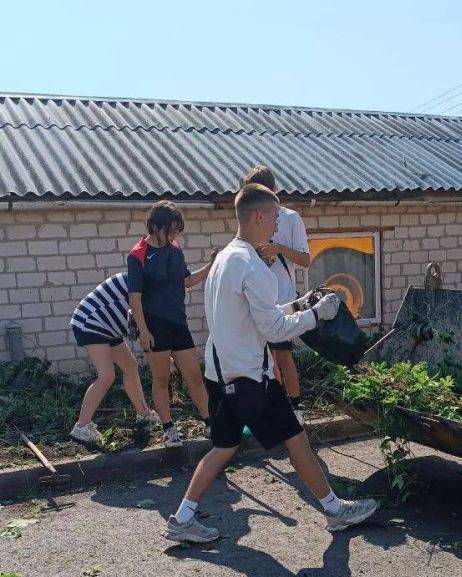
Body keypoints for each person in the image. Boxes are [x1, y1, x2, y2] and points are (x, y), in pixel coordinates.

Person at [165, 183, 378, 543]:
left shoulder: (225, 260)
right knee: (296, 439)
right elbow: (273, 329)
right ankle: (335, 510)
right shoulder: (252, 265)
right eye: (276, 218)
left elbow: (252, 316)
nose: (278, 227)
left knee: (223, 446)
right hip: (250, 376)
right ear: (259, 216)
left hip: (220, 373)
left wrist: (298, 305)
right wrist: (316, 315)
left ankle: (182, 518)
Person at [127, 201, 214, 448]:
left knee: (195, 376)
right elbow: (135, 297)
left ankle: (210, 422)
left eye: (178, 231)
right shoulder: (138, 255)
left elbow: (186, 281)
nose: (175, 236)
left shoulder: (175, 249)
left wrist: (211, 265)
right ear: (156, 226)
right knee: (161, 379)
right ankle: (169, 430)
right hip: (154, 326)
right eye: (171, 230)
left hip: (178, 322)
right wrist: (143, 331)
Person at [241, 165, 310, 424]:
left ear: (273, 192)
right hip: (256, 300)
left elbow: (305, 259)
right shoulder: (249, 220)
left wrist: (278, 248)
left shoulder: (290, 218)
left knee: (283, 356)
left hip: (282, 300)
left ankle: (296, 408)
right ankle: (276, 405)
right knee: (264, 359)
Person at [69, 273, 159, 446]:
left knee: (130, 366)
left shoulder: (147, 285)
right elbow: (143, 335)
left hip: (108, 328)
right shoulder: (138, 286)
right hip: (90, 323)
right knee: (106, 376)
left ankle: (144, 414)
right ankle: (82, 426)